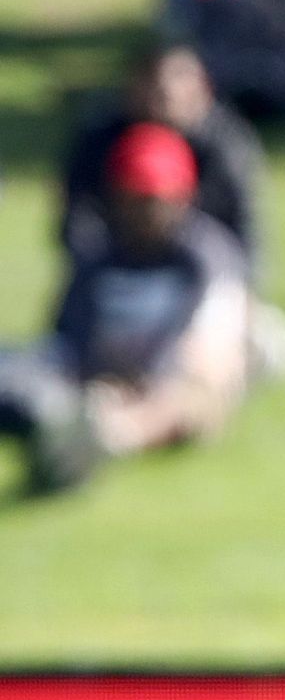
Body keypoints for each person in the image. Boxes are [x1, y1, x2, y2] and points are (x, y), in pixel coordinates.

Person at [0, 124, 254, 495]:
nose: (145, 211)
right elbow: (70, 331)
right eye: (134, 197)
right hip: (94, 382)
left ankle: (102, 442)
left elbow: (206, 341)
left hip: (170, 383)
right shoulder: (98, 256)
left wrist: (148, 382)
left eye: (155, 198)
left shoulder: (204, 258)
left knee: (190, 394)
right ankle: (65, 433)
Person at [61, 40, 266, 278]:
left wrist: (243, 285)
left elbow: (243, 222)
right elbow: (78, 219)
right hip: (119, 263)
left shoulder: (223, 143)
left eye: (168, 95)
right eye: (151, 90)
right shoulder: (102, 139)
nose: (158, 103)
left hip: (204, 265)